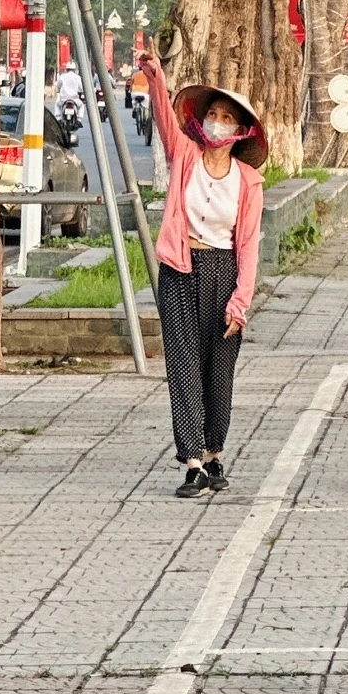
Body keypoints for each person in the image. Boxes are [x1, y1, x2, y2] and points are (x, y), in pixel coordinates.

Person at [143, 45, 265, 498]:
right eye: (211, 113)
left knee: (219, 368)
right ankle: (191, 460)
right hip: (180, 268)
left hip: (224, 271)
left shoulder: (248, 182)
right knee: (183, 365)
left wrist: (241, 300)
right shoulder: (186, 157)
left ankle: (214, 452)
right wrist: (157, 78)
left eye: (226, 117)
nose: (216, 121)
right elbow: (163, 120)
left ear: (239, 131)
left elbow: (249, 244)